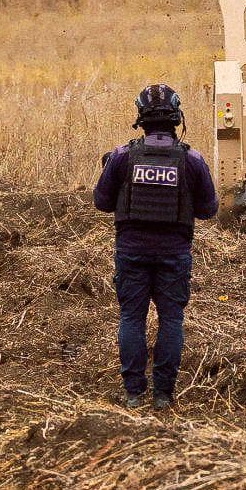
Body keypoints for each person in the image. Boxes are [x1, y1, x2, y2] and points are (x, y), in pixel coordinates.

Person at [94, 84, 218, 410]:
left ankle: (134, 394)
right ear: (177, 118)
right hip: (174, 255)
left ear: (140, 118)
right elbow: (209, 210)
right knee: (171, 320)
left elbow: (101, 203)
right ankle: (163, 396)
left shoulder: (122, 157)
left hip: (131, 252)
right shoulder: (192, 160)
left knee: (132, 319)